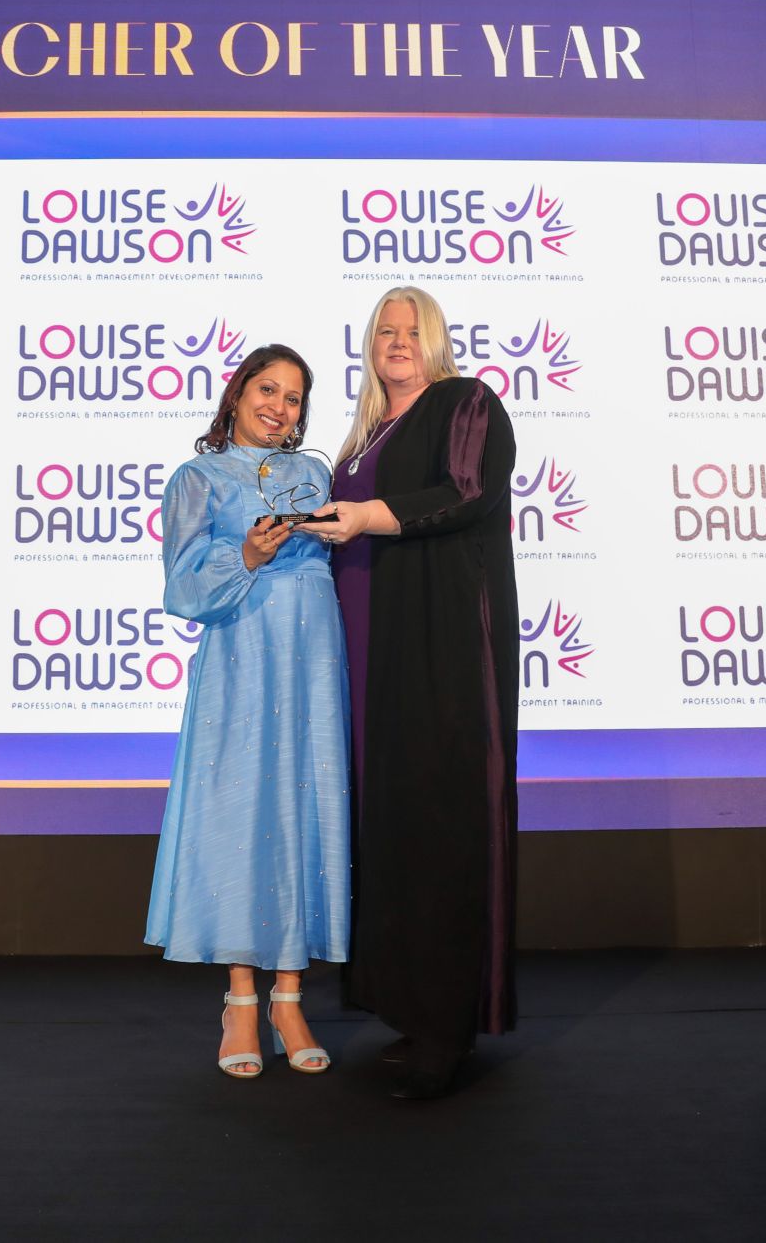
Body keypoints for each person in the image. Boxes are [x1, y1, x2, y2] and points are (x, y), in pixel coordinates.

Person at [300, 287, 519, 1100]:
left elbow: (467, 492)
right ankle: (406, 1006)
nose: (398, 341)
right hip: (370, 657)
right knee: (389, 825)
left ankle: (445, 1026)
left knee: (439, 819)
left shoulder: (465, 402)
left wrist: (368, 517)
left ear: (436, 341)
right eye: (385, 331)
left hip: (440, 650)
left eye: (412, 329)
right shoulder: (362, 436)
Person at [145, 343, 350, 1079]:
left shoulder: (319, 474)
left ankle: (290, 997)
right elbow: (182, 590)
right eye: (268, 389)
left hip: (315, 660)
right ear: (236, 394)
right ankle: (240, 1000)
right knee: (243, 815)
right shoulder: (197, 478)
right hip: (240, 657)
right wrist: (250, 558)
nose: (280, 407)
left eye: (295, 397)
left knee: (305, 809)